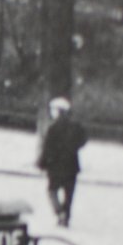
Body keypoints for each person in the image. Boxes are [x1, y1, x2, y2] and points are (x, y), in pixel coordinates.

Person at [38, 96, 87, 227]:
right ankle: (66, 216)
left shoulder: (53, 128)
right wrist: (73, 148)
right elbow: (83, 140)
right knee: (69, 194)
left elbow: (47, 147)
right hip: (71, 165)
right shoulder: (76, 127)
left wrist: (42, 162)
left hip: (56, 165)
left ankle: (59, 212)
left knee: (52, 191)